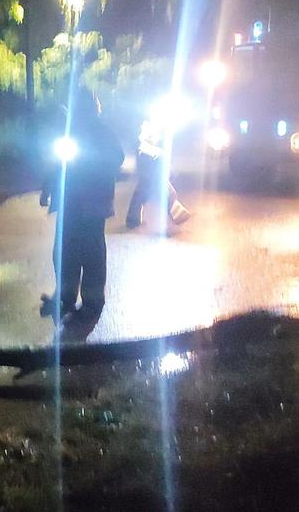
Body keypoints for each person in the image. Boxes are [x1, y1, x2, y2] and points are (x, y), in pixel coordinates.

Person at [39, 87, 124, 333]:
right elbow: (56, 162)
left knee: (92, 255)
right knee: (64, 252)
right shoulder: (67, 131)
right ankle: (64, 297)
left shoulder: (101, 132)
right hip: (70, 202)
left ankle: (92, 303)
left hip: (92, 204)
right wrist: (47, 189)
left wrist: (94, 165)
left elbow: (116, 158)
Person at [125, 116, 191, 229]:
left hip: (150, 169)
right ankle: (177, 215)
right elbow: (143, 145)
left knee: (144, 194)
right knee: (160, 193)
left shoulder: (147, 133)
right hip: (150, 168)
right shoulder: (143, 135)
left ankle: (133, 219)